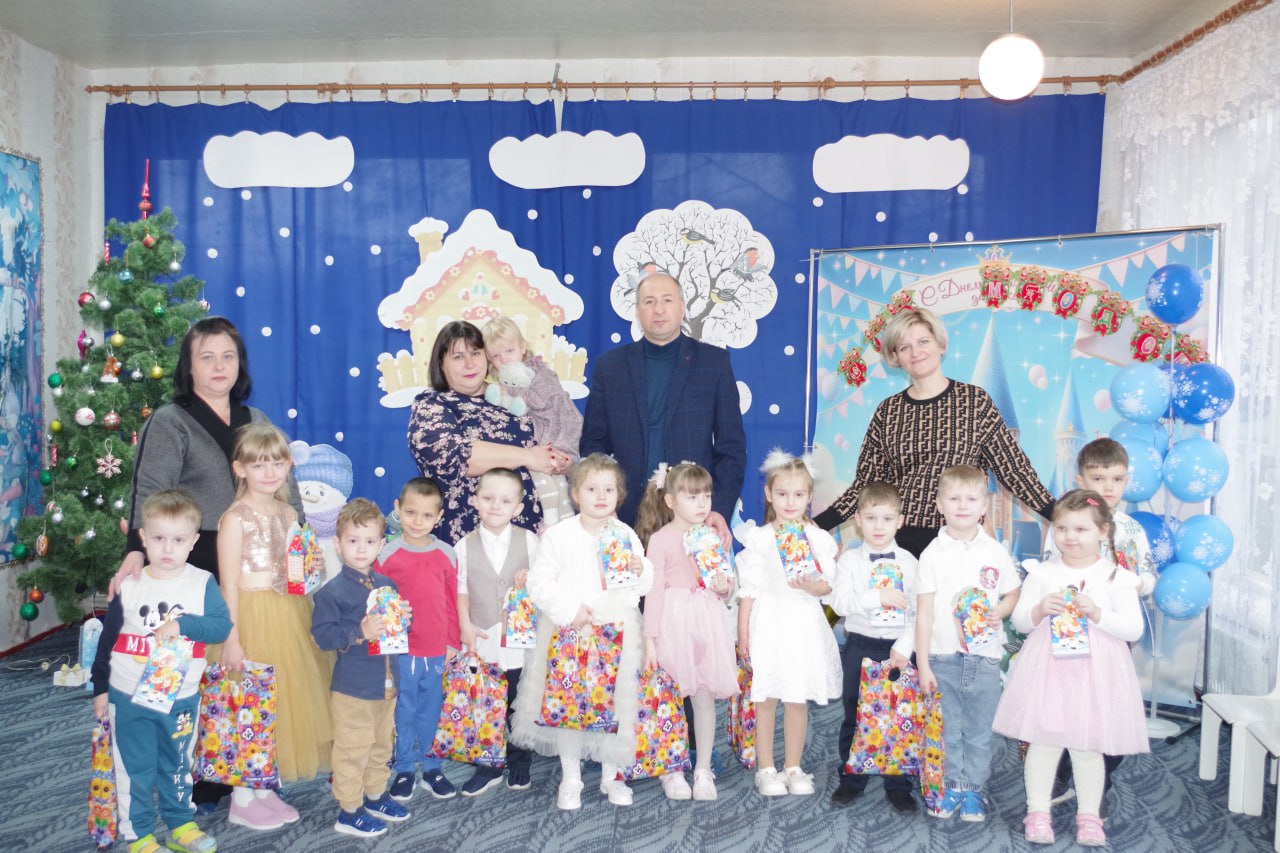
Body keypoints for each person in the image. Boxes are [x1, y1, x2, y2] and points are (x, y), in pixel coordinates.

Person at [813, 306, 1053, 558]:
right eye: (904, 347)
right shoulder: (888, 411)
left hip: (960, 542)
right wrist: (816, 526)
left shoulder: (975, 401)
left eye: (923, 341)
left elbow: (1013, 470)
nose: (916, 352)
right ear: (895, 357)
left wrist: (1059, 512)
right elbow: (866, 485)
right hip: (899, 544)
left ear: (940, 344)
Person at [993, 490, 1148, 847]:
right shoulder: (1042, 572)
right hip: (1050, 672)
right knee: (1044, 742)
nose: (1070, 537)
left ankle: (1089, 817)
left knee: (1087, 746)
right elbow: (1021, 620)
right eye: (1061, 528)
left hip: (1096, 675)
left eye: (1081, 529)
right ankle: (1037, 811)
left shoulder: (1116, 577)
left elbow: (1133, 629)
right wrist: (1038, 610)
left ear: (1103, 531)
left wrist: (1098, 613)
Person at [511, 453, 653, 810]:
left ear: (619, 495)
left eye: (609, 489)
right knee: (568, 705)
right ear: (575, 494)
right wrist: (570, 610)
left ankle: (611, 775)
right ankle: (571, 777)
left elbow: (639, 584)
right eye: (592, 489)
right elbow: (540, 582)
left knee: (613, 705)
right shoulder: (559, 535)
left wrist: (640, 570)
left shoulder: (624, 534)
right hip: (568, 631)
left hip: (613, 632)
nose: (600, 496)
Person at [91, 490, 230, 853]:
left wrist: (183, 625)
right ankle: (138, 834)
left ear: (193, 541)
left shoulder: (202, 582)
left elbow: (221, 627)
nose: (168, 548)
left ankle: (180, 824)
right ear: (143, 538)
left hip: (181, 698)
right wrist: (100, 688)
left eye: (179, 540)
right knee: (133, 768)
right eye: (158, 538)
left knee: (177, 765)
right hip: (129, 695)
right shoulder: (130, 584)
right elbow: (108, 640)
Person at [118, 316, 304, 586]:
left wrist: (301, 539)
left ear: (239, 363)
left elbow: (287, 486)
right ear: (189, 367)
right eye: (207, 357)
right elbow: (150, 490)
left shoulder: (257, 419)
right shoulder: (170, 421)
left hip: (263, 558)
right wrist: (136, 548)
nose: (219, 366)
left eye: (228, 356)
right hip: (196, 560)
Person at [217, 423, 333, 831]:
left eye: (277, 463)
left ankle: (263, 787)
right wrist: (231, 638)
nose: (269, 472)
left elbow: (293, 570)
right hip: (250, 618)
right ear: (240, 469)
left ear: (288, 466)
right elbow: (228, 585)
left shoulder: (288, 513)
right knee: (250, 704)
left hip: (289, 613)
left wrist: (310, 566)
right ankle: (241, 797)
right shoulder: (234, 519)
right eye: (258, 464)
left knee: (280, 701)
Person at [1042, 437, 1156, 815]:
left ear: (1126, 481)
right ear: (1080, 480)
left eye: (1117, 479)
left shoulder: (1132, 530)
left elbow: (1148, 575)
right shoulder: (1065, 526)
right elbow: (1049, 571)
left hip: (1114, 635)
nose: (1108, 487)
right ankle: (1062, 771)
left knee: (1110, 712)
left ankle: (1098, 785)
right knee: (1070, 709)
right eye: (1098, 478)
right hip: (1071, 635)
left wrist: (1134, 584)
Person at [580, 271, 747, 530]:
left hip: (692, 513)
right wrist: (604, 502)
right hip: (623, 515)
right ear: (638, 311)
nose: (658, 309)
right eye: (649, 301)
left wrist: (719, 508)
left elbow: (731, 447)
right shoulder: (610, 367)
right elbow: (593, 444)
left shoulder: (714, 363)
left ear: (682, 308)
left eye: (667, 300)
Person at [915, 465, 1021, 822]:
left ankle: (974, 788)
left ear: (984, 506)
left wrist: (1001, 610)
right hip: (942, 656)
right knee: (946, 729)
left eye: (971, 499)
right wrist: (923, 663)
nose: (962, 505)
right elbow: (924, 614)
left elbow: (1013, 592)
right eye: (954, 498)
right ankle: (951, 786)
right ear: (939, 505)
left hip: (985, 658)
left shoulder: (995, 551)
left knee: (978, 730)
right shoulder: (932, 554)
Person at [735, 450, 842, 798]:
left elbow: (827, 587)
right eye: (782, 494)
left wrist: (812, 586)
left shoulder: (818, 539)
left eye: (798, 494)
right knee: (766, 696)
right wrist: (743, 634)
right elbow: (748, 592)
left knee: (797, 697)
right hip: (768, 623)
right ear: (769, 494)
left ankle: (793, 766)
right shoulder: (760, 538)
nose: (790, 502)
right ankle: (766, 768)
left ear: (810, 496)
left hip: (802, 624)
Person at [407, 320, 570, 544]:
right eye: (458, 357)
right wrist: (528, 456)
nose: (470, 364)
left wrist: (560, 461)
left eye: (476, 353)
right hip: (468, 542)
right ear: (441, 364)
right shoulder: (433, 403)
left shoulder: (513, 394)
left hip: (535, 540)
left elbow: (557, 436)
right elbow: (453, 456)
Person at [311, 499, 413, 839]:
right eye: (353, 540)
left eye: (369, 541)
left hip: (387, 683)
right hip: (353, 688)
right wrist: (360, 632)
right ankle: (350, 810)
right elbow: (323, 636)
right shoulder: (332, 592)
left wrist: (405, 621)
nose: (361, 548)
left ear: (381, 544)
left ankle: (375, 795)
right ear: (338, 543)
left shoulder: (387, 586)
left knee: (382, 745)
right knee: (353, 749)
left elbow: (397, 634)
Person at [635, 462, 737, 801]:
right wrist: (650, 640)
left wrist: (723, 588)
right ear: (670, 501)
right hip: (672, 623)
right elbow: (653, 593)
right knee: (670, 699)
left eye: (706, 496)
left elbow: (724, 585)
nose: (702, 504)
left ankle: (703, 768)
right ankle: (672, 769)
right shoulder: (660, 540)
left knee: (703, 696)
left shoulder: (711, 536)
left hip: (706, 621)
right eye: (692, 497)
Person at [826, 481, 919, 812]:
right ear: (857, 520)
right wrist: (876, 597)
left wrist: (905, 647)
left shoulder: (910, 563)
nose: (879, 526)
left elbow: (919, 613)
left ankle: (898, 784)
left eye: (887, 518)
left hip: (898, 649)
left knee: (899, 717)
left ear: (900, 521)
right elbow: (839, 602)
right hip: (860, 646)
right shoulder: (850, 561)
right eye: (871, 518)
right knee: (855, 713)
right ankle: (852, 777)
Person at [454, 467, 540, 795]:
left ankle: (519, 758)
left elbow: (543, 585)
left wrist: (529, 582)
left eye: (505, 501)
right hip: (483, 637)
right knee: (485, 702)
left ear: (518, 507)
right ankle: (488, 764)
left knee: (518, 700)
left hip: (519, 639)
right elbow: (461, 589)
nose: (495, 506)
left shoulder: (529, 540)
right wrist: (465, 626)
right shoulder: (464, 545)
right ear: (475, 500)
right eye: (488, 498)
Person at [378, 478, 460, 803]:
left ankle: (432, 767)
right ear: (398, 509)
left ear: (438, 517)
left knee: (431, 710)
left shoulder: (447, 554)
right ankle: (404, 769)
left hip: (437, 650)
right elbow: (378, 601)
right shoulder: (387, 554)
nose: (417, 521)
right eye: (411, 512)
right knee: (404, 710)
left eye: (427, 515)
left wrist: (453, 642)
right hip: (402, 650)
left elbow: (452, 603)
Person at [482, 317, 582, 525]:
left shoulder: (539, 371)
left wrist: (510, 391)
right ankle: (561, 525)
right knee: (555, 481)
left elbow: (538, 400)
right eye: (496, 356)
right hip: (545, 437)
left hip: (560, 431)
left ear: (522, 347)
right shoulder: (507, 378)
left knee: (547, 474)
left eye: (509, 351)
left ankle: (556, 524)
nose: (504, 360)